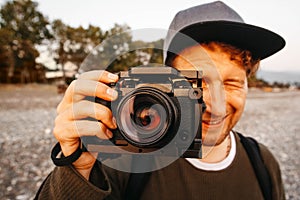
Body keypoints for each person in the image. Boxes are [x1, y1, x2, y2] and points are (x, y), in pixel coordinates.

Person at [35, 1, 286, 199]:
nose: (215, 104)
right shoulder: (127, 156)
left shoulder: (262, 162)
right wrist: (77, 168)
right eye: (195, 83)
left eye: (231, 83)